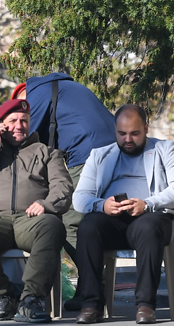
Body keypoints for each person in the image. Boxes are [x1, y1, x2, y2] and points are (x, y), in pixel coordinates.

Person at [67, 103, 174, 325]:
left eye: (135, 133)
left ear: (146, 128)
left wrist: (148, 204)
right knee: (88, 226)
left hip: (152, 217)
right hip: (113, 220)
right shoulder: (99, 155)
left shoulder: (165, 149)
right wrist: (102, 205)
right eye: (122, 134)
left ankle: (145, 305)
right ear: (114, 130)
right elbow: (80, 198)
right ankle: (91, 305)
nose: (128, 139)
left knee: (148, 227)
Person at [0, 97, 73, 323]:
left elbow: (63, 187)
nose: (19, 126)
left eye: (24, 121)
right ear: (1, 125)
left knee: (52, 227)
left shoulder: (47, 152)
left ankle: (30, 299)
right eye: (13, 121)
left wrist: (46, 204)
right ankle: (4, 295)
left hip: (31, 220)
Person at [19, 73, 116, 253]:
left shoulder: (36, 93)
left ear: (23, 93)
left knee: (68, 221)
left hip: (87, 155)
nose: (19, 112)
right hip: (119, 154)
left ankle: (88, 271)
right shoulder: (67, 88)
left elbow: (23, 140)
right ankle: (99, 268)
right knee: (97, 219)